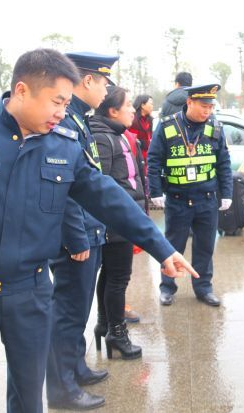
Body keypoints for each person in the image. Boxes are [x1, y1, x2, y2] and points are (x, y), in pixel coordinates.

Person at [0, 48, 197, 413]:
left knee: (28, 398)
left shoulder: (63, 145)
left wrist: (162, 247)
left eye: (67, 102)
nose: (62, 112)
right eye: (57, 101)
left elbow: (108, 198)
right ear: (22, 91)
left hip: (31, 292)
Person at [44, 51, 115, 411]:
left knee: (79, 308)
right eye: (103, 82)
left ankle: (75, 367)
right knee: (67, 312)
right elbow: (65, 189)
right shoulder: (65, 121)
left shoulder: (80, 119)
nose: (106, 91)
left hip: (91, 230)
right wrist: (76, 237)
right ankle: (61, 389)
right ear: (87, 81)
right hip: (78, 236)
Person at [147, 84, 233, 307]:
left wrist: (227, 193)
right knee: (172, 246)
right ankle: (167, 287)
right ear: (189, 103)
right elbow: (154, 160)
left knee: (205, 246)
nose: (208, 111)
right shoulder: (167, 126)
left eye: (211, 107)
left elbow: (223, 162)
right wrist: (155, 191)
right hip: (178, 200)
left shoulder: (214, 127)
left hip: (207, 199)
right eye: (203, 106)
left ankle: (204, 288)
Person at [89, 85, 146, 361]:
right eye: (128, 106)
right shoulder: (103, 138)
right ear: (112, 110)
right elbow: (103, 187)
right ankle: (117, 332)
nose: (133, 110)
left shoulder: (117, 134)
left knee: (111, 275)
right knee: (118, 278)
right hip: (115, 221)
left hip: (125, 217)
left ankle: (105, 323)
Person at [128, 94, 154, 164]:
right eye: (151, 104)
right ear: (142, 105)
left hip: (148, 157)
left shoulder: (149, 120)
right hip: (136, 157)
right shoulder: (133, 120)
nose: (152, 106)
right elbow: (132, 140)